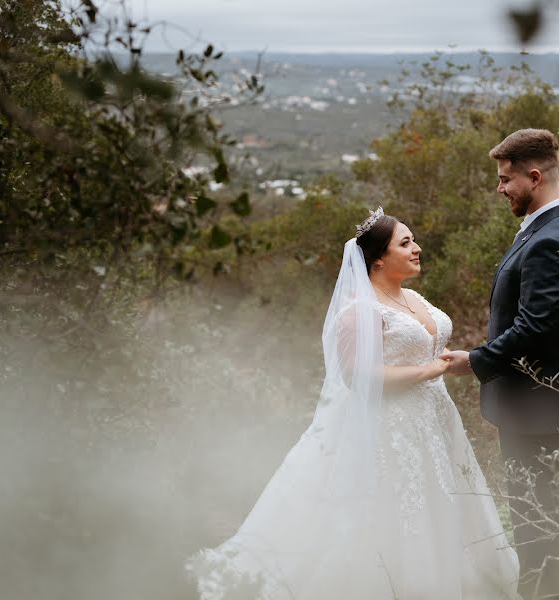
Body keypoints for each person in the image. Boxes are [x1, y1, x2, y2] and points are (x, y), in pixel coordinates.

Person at [185, 208, 520, 599]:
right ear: (378, 258)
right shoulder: (359, 312)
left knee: (444, 503)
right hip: (388, 427)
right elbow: (360, 378)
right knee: (392, 514)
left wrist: (452, 358)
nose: (417, 249)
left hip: (435, 421)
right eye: (405, 243)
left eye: (413, 240)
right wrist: (428, 372)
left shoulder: (413, 298)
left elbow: (427, 346)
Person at [442, 128, 559, 599]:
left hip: (537, 402)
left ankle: (542, 593)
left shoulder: (552, 239)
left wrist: (476, 360)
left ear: (534, 176)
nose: (500, 188)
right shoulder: (553, 227)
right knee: (536, 505)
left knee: (535, 510)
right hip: (536, 400)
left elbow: (535, 328)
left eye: (506, 179)